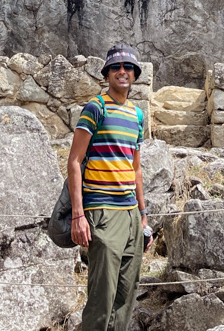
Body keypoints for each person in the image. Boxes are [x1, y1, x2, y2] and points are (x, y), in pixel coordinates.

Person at [68, 44, 151, 331]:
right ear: (106, 74)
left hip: (130, 215)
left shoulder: (138, 116)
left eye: (128, 67)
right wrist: (79, 215)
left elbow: (136, 168)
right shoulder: (96, 107)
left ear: (135, 75)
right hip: (102, 212)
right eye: (115, 67)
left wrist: (143, 216)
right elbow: (75, 161)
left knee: (126, 298)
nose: (122, 72)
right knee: (102, 300)